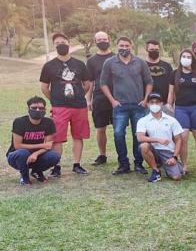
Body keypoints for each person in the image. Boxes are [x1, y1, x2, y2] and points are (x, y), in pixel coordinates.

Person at [38, 32, 91, 176]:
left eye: (63, 42)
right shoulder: (49, 66)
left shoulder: (79, 64)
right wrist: (54, 100)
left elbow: (87, 84)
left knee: (78, 136)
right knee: (57, 137)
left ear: (69, 43)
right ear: (54, 46)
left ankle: (77, 164)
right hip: (59, 107)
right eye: (57, 43)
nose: (61, 45)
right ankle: (56, 166)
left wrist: (79, 94)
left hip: (79, 106)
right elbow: (44, 87)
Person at [99, 36, 153, 175]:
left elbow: (149, 82)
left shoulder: (140, 62)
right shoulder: (110, 63)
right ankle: (123, 164)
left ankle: (139, 164)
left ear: (131, 46)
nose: (124, 48)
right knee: (118, 134)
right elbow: (103, 83)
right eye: (121, 45)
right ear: (117, 46)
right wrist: (112, 100)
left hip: (138, 105)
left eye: (126, 45)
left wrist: (146, 99)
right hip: (119, 106)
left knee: (138, 135)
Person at [168, 49, 196, 175]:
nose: (186, 58)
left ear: (192, 59)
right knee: (183, 137)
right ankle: (184, 166)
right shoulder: (175, 74)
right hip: (181, 109)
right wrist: (169, 105)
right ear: (180, 58)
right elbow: (171, 92)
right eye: (184, 56)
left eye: (189, 56)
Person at [6, 96, 61, 185]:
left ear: (45, 109)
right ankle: (24, 177)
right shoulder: (19, 122)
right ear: (28, 109)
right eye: (34, 108)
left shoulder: (49, 122)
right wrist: (41, 145)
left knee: (55, 156)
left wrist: (36, 153)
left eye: (41, 108)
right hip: (16, 156)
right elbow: (18, 146)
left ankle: (36, 171)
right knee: (23, 153)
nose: (37, 110)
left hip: (37, 156)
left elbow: (48, 145)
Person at [136, 93, 186, 183]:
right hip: (154, 150)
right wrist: (158, 140)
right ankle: (156, 171)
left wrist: (174, 157)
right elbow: (140, 137)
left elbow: (179, 140)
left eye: (157, 102)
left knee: (177, 177)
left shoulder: (171, 120)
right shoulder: (143, 120)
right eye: (151, 102)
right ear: (147, 104)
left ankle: (170, 165)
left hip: (168, 152)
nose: (154, 105)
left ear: (162, 104)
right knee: (143, 146)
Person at [86, 31, 115, 166]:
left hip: (117, 98)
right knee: (100, 129)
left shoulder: (117, 57)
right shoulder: (91, 61)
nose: (102, 41)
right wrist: (89, 99)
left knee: (118, 129)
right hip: (99, 98)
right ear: (95, 41)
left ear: (109, 39)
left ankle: (122, 155)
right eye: (99, 39)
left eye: (104, 38)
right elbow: (90, 82)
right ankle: (102, 155)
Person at [145, 39, 173, 105]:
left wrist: (170, 102)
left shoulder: (167, 66)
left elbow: (172, 85)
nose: (154, 51)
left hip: (164, 103)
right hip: (147, 103)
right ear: (147, 49)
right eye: (151, 49)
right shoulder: (142, 65)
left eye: (156, 50)